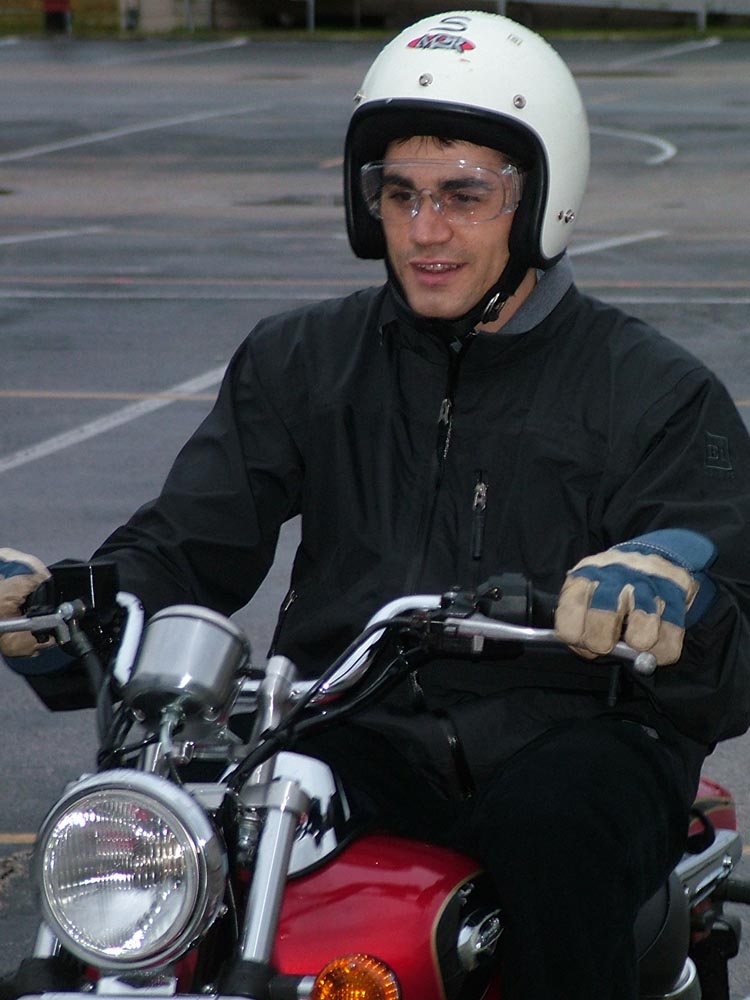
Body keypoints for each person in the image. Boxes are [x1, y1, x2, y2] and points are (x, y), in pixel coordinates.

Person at [2, 10, 750, 999]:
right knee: (183, 839)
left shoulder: (653, 389)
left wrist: (674, 598)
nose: (425, 231)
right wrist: (65, 605)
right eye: (400, 195)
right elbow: (186, 543)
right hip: (354, 723)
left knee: (557, 836)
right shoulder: (304, 359)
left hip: (575, 734)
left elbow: (725, 598)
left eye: (463, 195)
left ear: (541, 201)